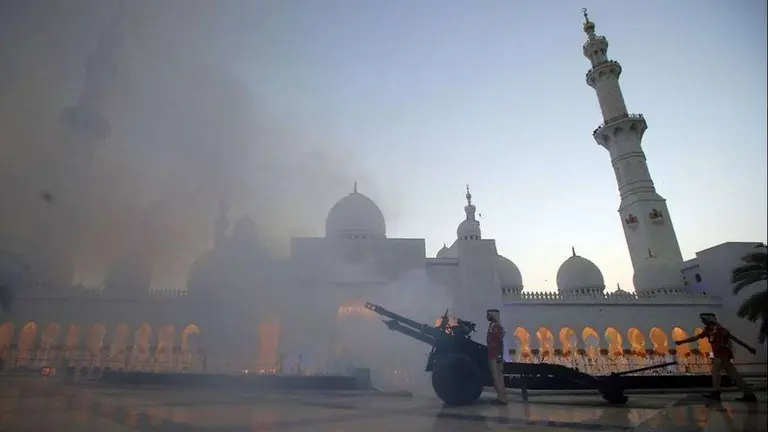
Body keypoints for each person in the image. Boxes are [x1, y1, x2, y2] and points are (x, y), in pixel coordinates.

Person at [674, 313, 757, 402]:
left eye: (704, 320)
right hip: (722, 357)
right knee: (735, 376)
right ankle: (749, 394)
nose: (703, 322)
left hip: (722, 356)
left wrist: (748, 347)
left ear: (709, 320)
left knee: (715, 371)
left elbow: (734, 339)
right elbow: (696, 338)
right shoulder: (708, 331)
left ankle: (716, 392)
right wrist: (681, 342)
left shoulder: (720, 330)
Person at [486, 309, 508, 405]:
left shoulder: (496, 327)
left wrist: (499, 356)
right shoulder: (492, 326)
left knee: (497, 376)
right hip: (492, 353)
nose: (487, 316)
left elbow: (498, 342)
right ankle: (500, 397)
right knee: (496, 376)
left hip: (495, 355)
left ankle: (502, 398)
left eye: (488, 315)